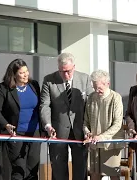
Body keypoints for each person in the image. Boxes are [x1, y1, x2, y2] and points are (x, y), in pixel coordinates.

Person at [40, 52, 93, 180]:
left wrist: (88, 128)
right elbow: (44, 105)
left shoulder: (85, 78)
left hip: (80, 131)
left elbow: (91, 106)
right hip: (57, 132)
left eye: (68, 71)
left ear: (74, 66)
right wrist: (48, 125)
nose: (65, 75)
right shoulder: (49, 80)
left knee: (80, 170)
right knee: (58, 170)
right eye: (62, 71)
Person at [0, 59, 42, 180]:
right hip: (16, 133)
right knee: (19, 170)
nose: (26, 75)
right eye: (22, 73)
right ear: (13, 75)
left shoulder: (34, 85)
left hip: (35, 133)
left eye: (26, 71)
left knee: (33, 169)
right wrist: (6, 125)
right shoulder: (4, 88)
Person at [83, 69, 124, 180]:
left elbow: (117, 123)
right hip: (95, 145)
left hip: (111, 144)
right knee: (94, 175)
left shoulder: (116, 98)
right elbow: (85, 121)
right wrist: (87, 132)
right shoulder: (91, 98)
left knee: (113, 174)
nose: (97, 91)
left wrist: (102, 137)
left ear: (108, 84)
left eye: (99, 88)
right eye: (94, 88)